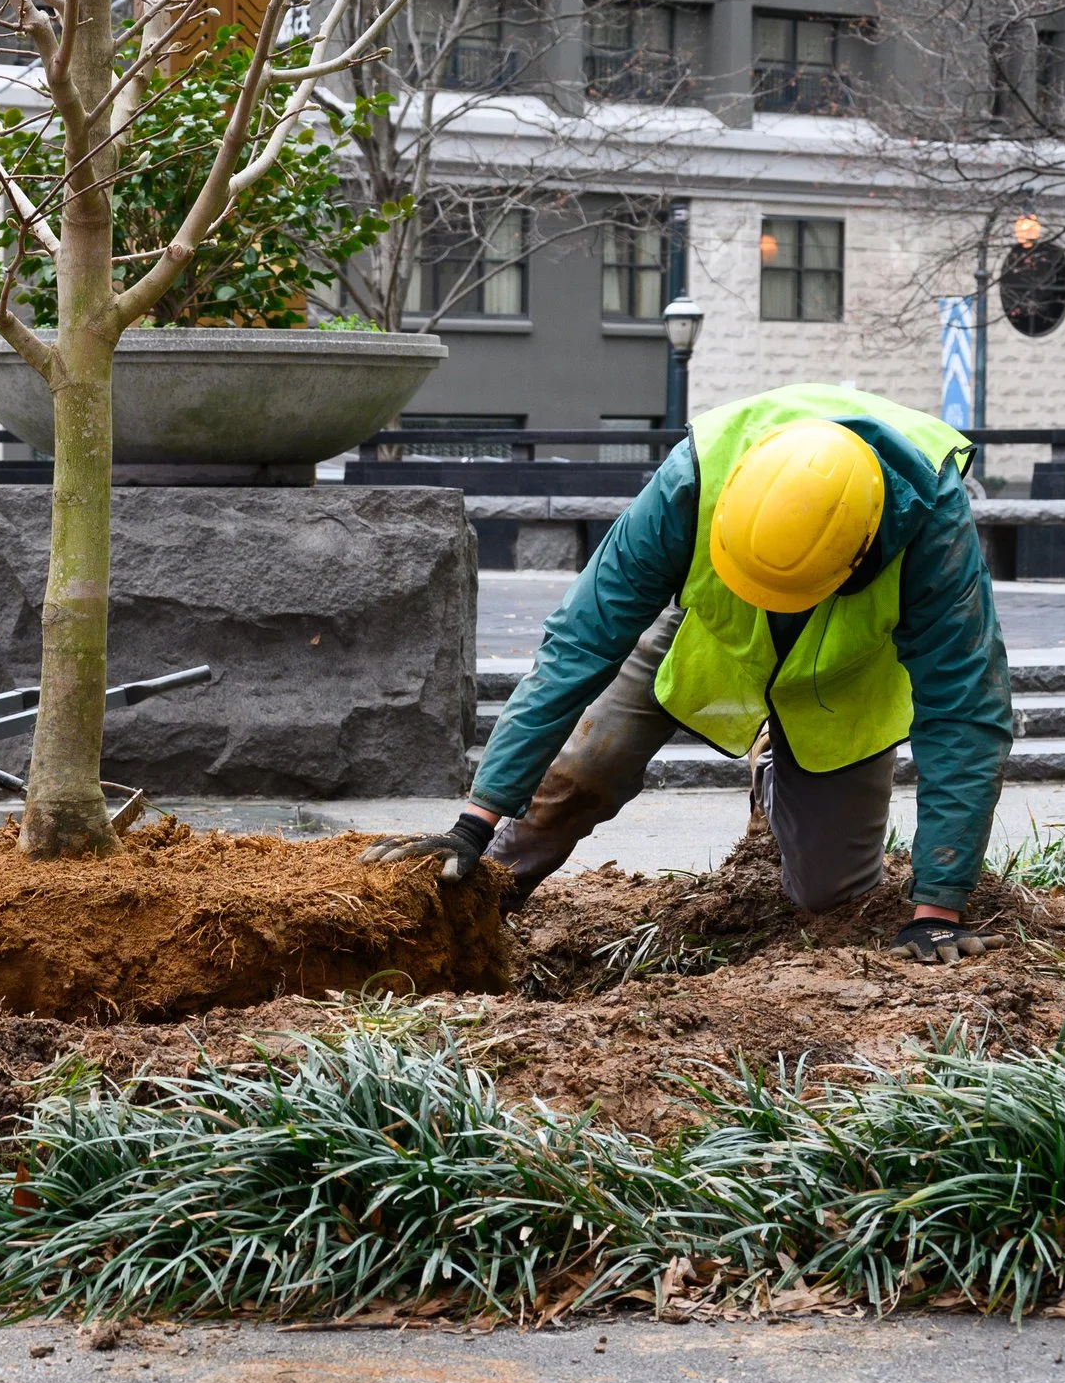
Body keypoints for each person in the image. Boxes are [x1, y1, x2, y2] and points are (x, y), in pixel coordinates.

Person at [362, 382, 1013, 966]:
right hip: (707, 633)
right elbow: (584, 637)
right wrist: (477, 816)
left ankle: (774, 766)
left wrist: (938, 905)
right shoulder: (697, 474)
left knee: (827, 893)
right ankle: (475, 903)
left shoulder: (934, 522)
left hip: (844, 675)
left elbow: (965, 708)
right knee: (586, 768)